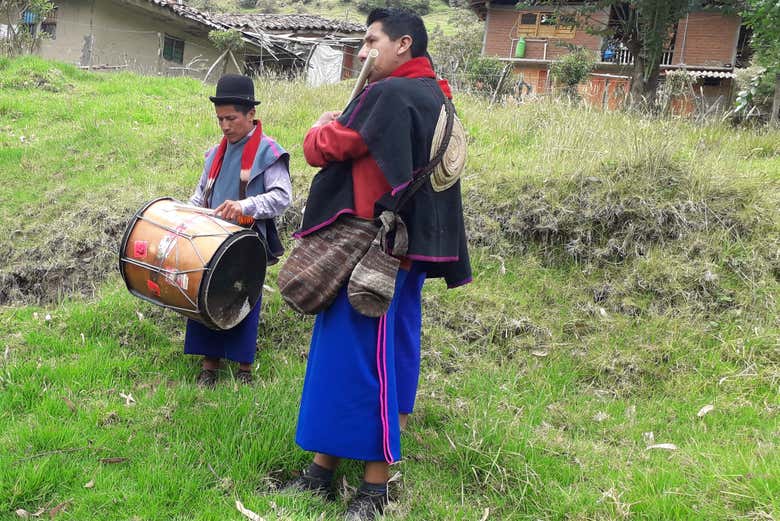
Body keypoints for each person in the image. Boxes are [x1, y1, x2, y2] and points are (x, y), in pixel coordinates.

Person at [286, 8, 471, 520]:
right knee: (363, 358)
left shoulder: (390, 95)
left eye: (372, 41)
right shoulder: (439, 96)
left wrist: (318, 127)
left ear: (404, 44)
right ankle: (321, 473)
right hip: (401, 253)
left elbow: (326, 147)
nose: (364, 51)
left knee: (371, 367)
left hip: (371, 251)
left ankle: (373, 492)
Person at [185, 74, 292, 388]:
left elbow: (282, 197)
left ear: (251, 115)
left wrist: (245, 206)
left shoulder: (269, 152)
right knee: (205, 296)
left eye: (231, 118)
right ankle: (209, 366)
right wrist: (184, 214)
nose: (225, 126)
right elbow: (200, 194)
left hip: (247, 243)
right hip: (211, 240)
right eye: (220, 119)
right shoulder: (214, 154)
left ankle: (245, 369)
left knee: (242, 300)